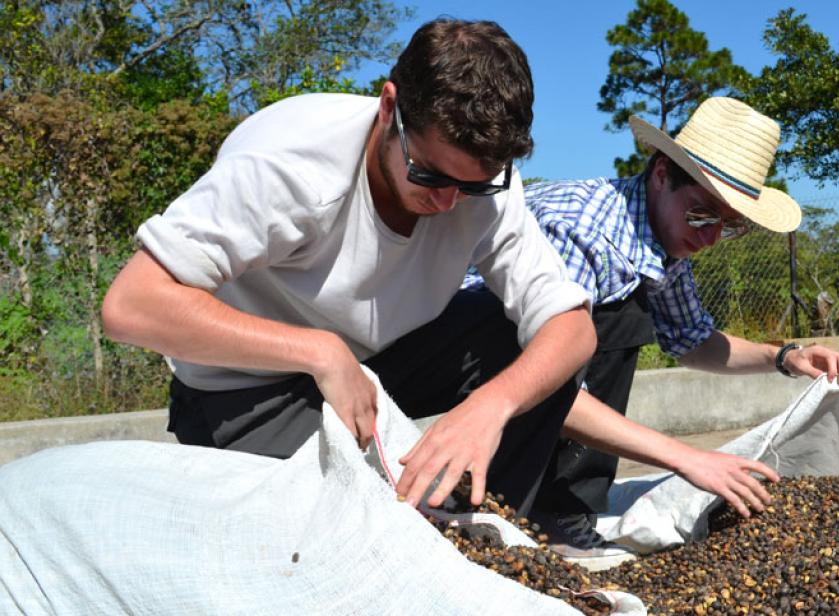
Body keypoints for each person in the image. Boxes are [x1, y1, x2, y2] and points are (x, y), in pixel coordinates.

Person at [101, 18, 597, 517]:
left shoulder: (486, 181)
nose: (448, 203)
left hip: (374, 363)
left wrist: (492, 405)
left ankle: (493, 529)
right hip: (249, 387)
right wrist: (316, 351)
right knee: (355, 529)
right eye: (429, 174)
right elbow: (132, 305)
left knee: (524, 348)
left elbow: (572, 327)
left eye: (472, 185)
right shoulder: (290, 167)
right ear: (389, 109)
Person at [465, 97, 839, 556]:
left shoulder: (662, 241)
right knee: (620, 315)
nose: (709, 239)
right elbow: (541, 382)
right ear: (663, 174)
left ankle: (558, 509)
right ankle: (547, 510)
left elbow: (693, 341)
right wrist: (688, 458)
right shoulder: (587, 233)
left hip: (519, 381)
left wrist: (784, 357)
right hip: (465, 367)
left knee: (626, 310)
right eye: (702, 214)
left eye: (729, 227)